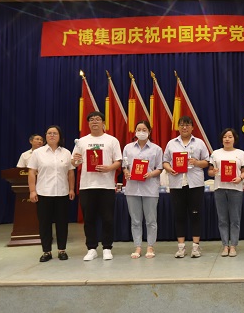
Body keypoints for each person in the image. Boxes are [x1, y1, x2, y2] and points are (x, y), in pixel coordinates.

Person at [71, 111, 122, 261]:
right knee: (89, 219)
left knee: (108, 218)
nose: (94, 122)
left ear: (103, 123)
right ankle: (91, 248)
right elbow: (74, 162)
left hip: (106, 186)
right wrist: (76, 160)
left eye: (98, 119)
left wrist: (109, 168)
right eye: (91, 119)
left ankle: (107, 248)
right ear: (88, 123)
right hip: (87, 186)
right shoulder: (81, 141)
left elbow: (118, 161)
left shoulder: (112, 140)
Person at [163, 116, 209, 258]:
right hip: (177, 183)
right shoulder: (171, 143)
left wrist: (196, 162)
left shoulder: (199, 143)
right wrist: (169, 169)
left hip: (195, 184)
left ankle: (195, 247)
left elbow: (207, 162)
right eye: (182, 125)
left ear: (192, 127)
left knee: (195, 214)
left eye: (187, 125)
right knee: (179, 215)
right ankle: (181, 247)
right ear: (178, 127)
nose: (184, 127)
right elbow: (165, 161)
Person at [27, 126, 75, 262]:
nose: (52, 135)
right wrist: (32, 190)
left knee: (62, 223)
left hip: (62, 193)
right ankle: (46, 251)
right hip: (44, 192)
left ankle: (62, 250)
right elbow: (31, 172)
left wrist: (71, 189)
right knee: (44, 223)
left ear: (60, 136)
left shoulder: (66, 152)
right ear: (46, 136)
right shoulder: (38, 153)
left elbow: (70, 172)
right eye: (49, 133)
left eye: (55, 133)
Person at [122, 120, 163, 259]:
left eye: (144, 129)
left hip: (150, 188)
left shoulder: (156, 149)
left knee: (151, 220)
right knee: (135, 220)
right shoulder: (128, 148)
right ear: (135, 132)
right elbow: (124, 165)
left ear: (149, 132)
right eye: (138, 129)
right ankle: (138, 246)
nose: (141, 132)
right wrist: (126, 172)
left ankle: (150, 246)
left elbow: (160, 168)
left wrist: (150, 174)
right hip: (132, 188)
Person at [208, 128, 244, 257]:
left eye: (230, 137)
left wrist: (240, 178)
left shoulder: (240, 153)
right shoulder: (215, 153)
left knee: (235, 219)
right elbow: (209, 171)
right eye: (225, 137)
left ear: (234, 139)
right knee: (222, 219)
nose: (227, 139)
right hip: (220, 188)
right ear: (221, 139)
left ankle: (233, 245)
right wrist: (213, 172)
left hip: (235, 189)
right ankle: (225, 245)